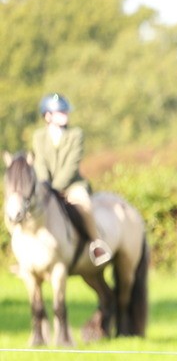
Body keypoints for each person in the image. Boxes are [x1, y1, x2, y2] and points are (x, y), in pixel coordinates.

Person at [30, 93, 111, 266]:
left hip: (72, 185)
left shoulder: (76, 134)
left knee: (84, 204)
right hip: (46, 186)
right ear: (48, 115)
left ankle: (97, 245)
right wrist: (46, 187)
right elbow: (40, 163)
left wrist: (55, 188)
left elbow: (72, 165)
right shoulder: (38, 137)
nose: (65, 114)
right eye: (61, 112)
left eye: (65, 112)